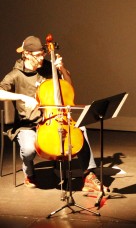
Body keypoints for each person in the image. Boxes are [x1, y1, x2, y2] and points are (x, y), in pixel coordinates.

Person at [0, 35, 106, 192]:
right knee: (29, 149)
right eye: (37, 55)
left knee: (80, 131)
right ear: (27, 54)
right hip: (28, 125)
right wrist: (21, 96)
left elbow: (68, 86)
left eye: (43, 53)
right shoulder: (15, 75)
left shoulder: (47, 67)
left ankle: (89, 176)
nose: (42, 57)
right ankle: (29, 172)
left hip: (52, 119)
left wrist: (62, 68)